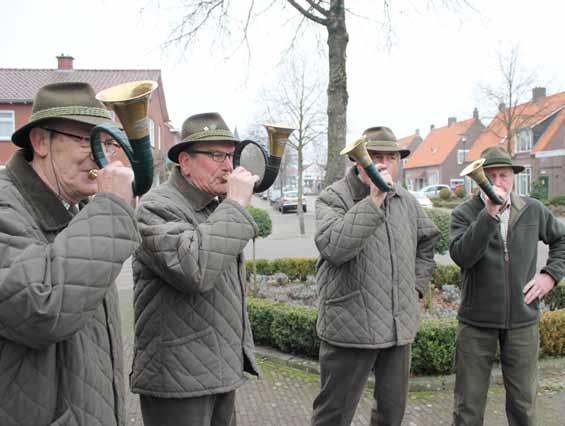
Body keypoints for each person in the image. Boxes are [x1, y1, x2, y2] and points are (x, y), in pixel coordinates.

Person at [0, 82, 140, 425]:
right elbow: (41, 305)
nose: (100, 154)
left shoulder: (76, 209)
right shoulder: (6, 204)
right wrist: (109, 211)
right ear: (40, 141)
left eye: (106, 142)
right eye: (84, 139)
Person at [130, 112, 260, 426]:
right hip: (177, 379)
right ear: (185, 162)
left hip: (219, 369)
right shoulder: (156, 207)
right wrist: (235, 207)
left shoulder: (214, 206)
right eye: (216, 155)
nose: (228, 166)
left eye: (230, 155)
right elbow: (195, 269)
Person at [310, 126, 440, 426]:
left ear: (397, 161)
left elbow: (427, 242)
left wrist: (416, 288)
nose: (382, 163)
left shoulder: (406, 200)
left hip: (398, 328)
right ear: (359, 160)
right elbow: (333, 247)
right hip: (350, 326)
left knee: (391, 414)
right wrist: (373, 201)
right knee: (333, 414)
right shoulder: (333, 197)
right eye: (374, 156)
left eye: (389, 157)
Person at [450, 146, 565, 425]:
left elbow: (561, 240)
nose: (498, 183)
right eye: (490, 177)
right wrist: (487, 216)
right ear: (480, 180)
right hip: (476, 323)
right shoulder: (465, 213)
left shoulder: (533, 209)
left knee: (523, 406)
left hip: (523, 321)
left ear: (513, 177)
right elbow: (462, 256)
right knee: (468, 408)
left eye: (504, 175)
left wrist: (550, 275)